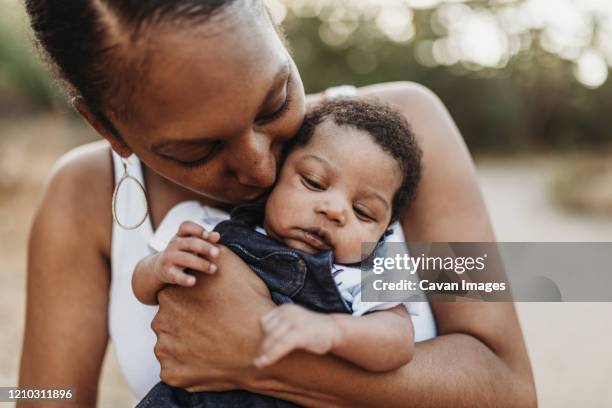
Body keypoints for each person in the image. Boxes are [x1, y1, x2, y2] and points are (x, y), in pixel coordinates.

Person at [18, 0, 536, 407]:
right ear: (108, 128)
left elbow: (509, 389)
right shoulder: (82, 196)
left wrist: (258, 359)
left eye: (275, 103)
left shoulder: (400, 137)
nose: (261, 168)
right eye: (198, 150)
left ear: (269, 18)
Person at [133, 99, 421, 407]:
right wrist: (160, 266)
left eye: (363, 212)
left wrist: (335, 331)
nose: (335, 210)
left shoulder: (375, 268)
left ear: (385, 232)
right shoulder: (211, 228)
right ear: (276, 175)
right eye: (313, 182)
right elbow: (143, 287)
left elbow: (398, 341)